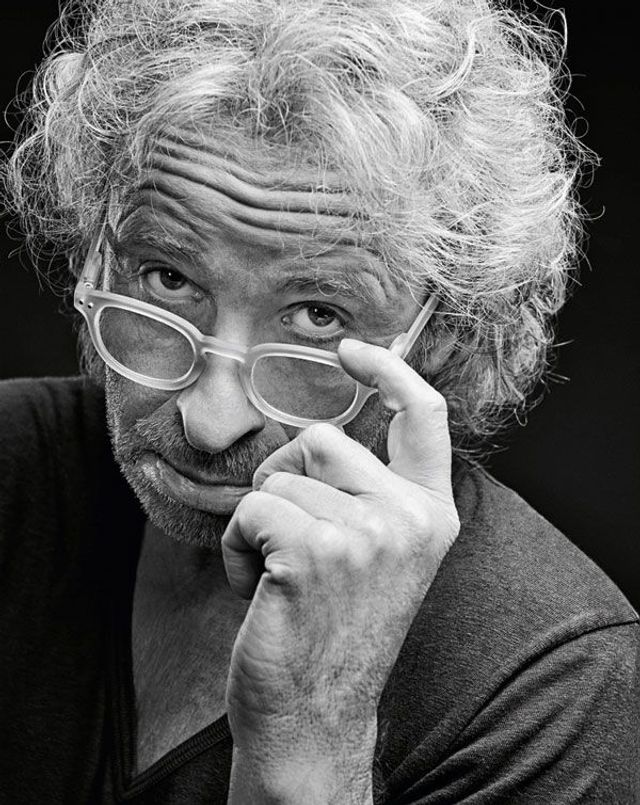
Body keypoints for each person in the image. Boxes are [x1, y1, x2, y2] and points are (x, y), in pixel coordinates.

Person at [0, 0, 638, 802]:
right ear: (95, 257)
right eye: (168, 277)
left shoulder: (550, 685)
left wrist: (311, 730)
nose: (210, 421)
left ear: (443, 336)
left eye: (317, 317)